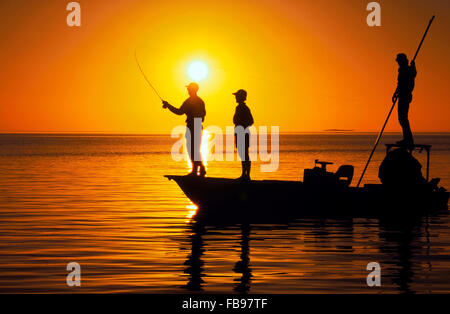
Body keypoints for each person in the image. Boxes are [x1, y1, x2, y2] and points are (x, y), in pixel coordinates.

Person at [162, 82, 206, 177]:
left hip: (192, 126)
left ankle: (197, 170)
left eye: (189, 89)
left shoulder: (189, 101)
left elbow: (179, 112)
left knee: (192, 149)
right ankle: (201, 169)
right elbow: (203, 114)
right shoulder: (200, 101)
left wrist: (168, 105)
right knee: (195, 149)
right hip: (198, 126)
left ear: (192, 90)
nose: (187, 90)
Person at [392, 53, 417, 146]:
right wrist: (395, 93)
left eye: (398, 60)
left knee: (403, 118)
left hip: (405, 95)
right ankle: (407, 138)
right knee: (402, 118)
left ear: (402, 60)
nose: (397, 62)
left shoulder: (407, 69)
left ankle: (408, 139)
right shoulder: (403, 69)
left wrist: (413, 65)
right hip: (402, 95)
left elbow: (413, 75)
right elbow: (399, 83)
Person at [233, 89, 254, 180]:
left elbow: (251, 121)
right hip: (240, 132)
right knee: (243, 154)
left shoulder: (243, 108)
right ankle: (244, 174)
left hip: (242, 133)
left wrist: (242, 126)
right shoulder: (240, 108)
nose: (235, 97)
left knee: (244, 154)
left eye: (237, 96)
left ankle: (247, 175)